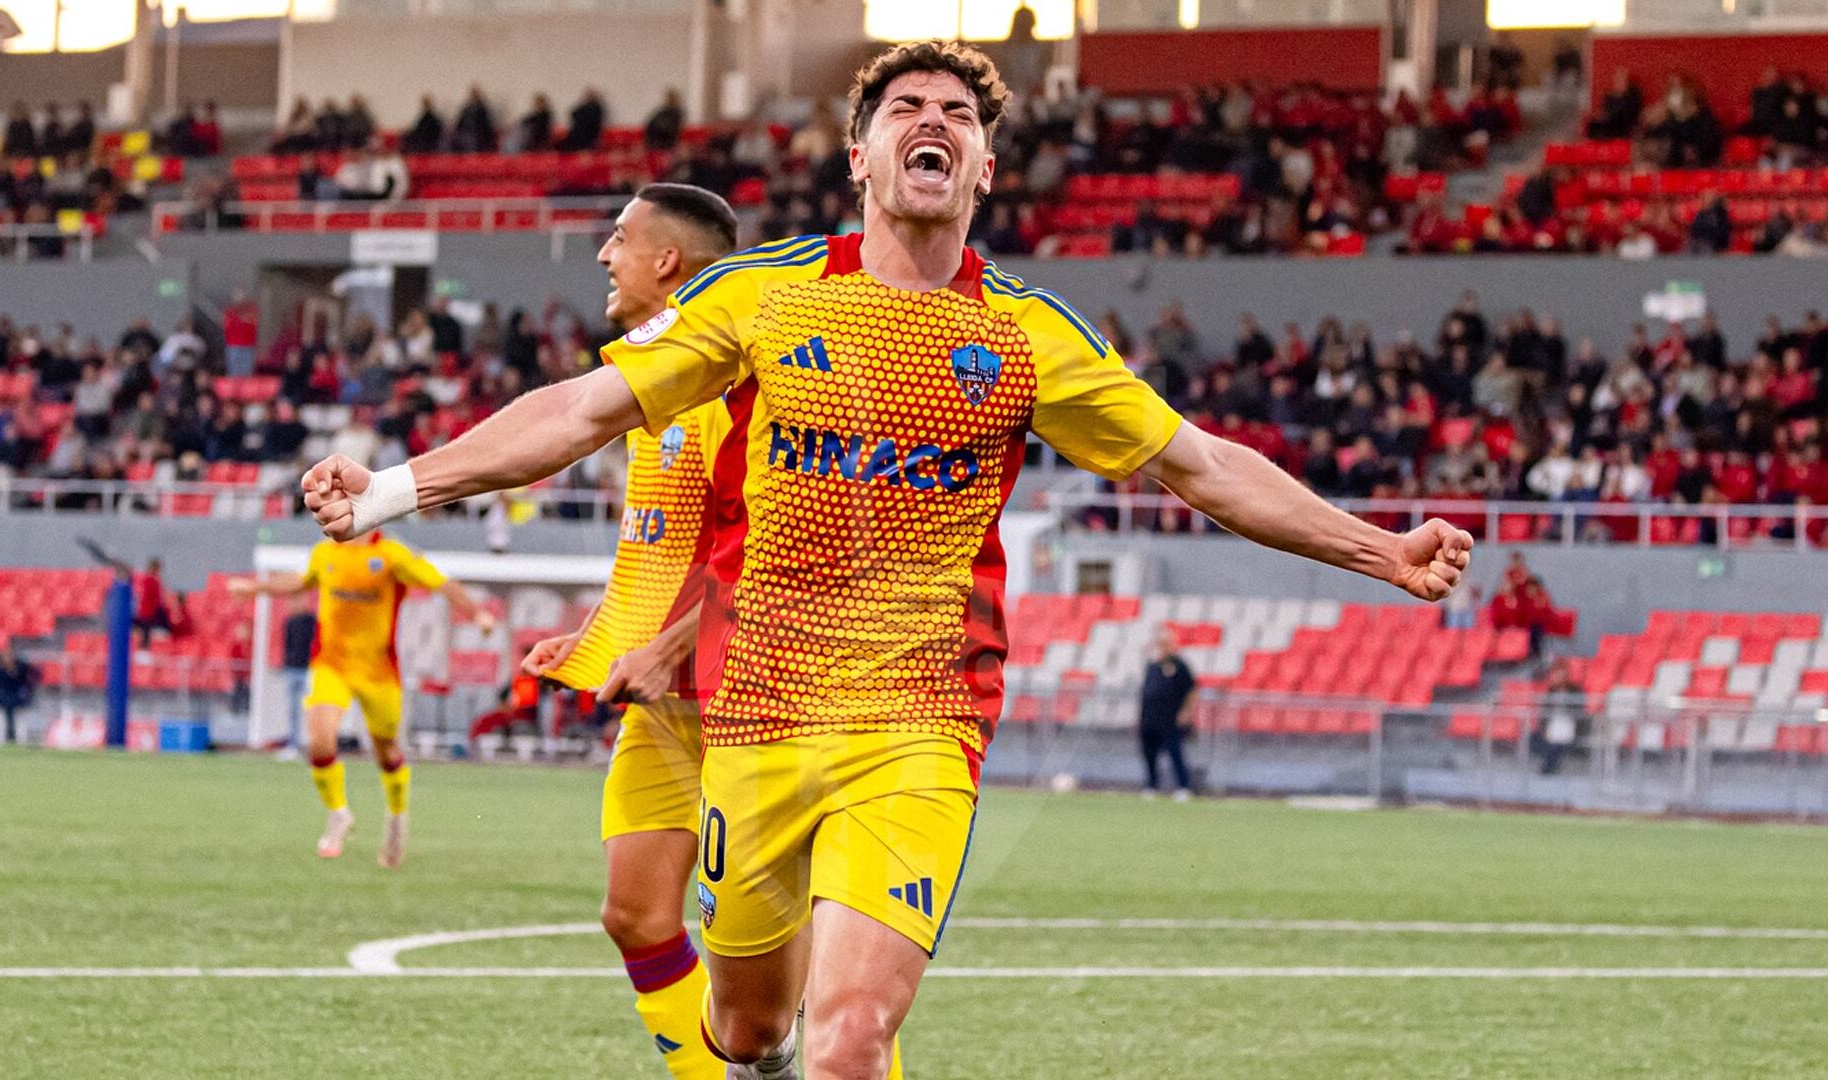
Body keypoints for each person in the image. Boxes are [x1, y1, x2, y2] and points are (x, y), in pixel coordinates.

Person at [297, 40, 1473, 1078]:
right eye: (905, 108)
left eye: (957, 116)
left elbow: (1201, 465)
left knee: (854, 1037)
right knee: (751, 1029)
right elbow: (581, 413)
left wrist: (1382, 549)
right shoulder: (763, 297)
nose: (933, 123)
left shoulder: (1025, 332)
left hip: (919, 721)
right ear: (859, 156)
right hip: (757, 716)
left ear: (986, 169)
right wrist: (393, 488)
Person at [515, 183, 742, 1080]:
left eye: (618, 239)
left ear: (668, 261)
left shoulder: (737, 384)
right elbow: (666, 549)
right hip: (666, 700)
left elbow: (765, 552)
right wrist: (600, 639)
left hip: (753, 701)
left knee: (779, 959)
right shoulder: (651, 386)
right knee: (636, 915)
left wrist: (669, 649)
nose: (604, 256)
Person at [229, 534, 492, 867]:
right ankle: (338, 813)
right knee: (320, 740)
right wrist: (254, 589)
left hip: (379, 673)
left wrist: (478, 613)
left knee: (387, 753)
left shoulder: (391, 554)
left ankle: (397, 818)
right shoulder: (325, 552)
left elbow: (441, 583)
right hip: (331, 666)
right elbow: (300, 581)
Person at [1137, 627, 1197, 799]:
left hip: (1169, 719)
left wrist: (1186, 711)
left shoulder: (1179, 666)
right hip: (1150, 718)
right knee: (1149, 754)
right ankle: (1151, 785)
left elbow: (1191, 690)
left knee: (1175, 753)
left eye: (1165, 644)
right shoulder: (1153, 666)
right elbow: (1146, 693)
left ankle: (1183, 786)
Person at [1530, 658, 1586, 775]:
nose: (1556, 677)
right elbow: (1544, 713)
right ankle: (1550, 766)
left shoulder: (1575, 691)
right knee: (1533, 737)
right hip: (1552, 725)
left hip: (1568, 724)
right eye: (1554, 674)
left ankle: (1548, 768)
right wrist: (1543, 728)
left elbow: (1579, 712)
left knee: (1559, 741)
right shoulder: (1551, 691)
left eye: (1559, 674)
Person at [278, 593, 317, 759]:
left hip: (308, 670)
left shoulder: (312, 621)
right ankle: (293, 744)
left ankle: (317, 745)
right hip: (292, 670)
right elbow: (287, 644)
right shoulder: (289, 622)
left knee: (314, 709)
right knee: (293, 710)